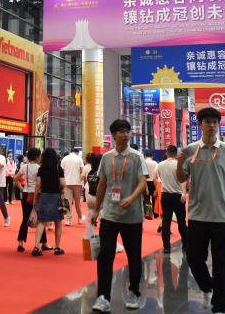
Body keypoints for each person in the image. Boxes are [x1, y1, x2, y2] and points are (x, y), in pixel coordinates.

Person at [177, 107, 225, 313]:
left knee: (221, 263)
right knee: (194, 257)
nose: (212, 125)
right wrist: (180, 161)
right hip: (198, 214)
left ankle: (220, 306)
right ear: (200, 124)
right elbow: (181, 178)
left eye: (215, 122)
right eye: (208, 122)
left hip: (223, 215)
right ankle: (207, 286)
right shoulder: (191, 150)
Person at [90, 119, 149, 312]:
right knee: (105, 256)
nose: (126, 134)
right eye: (122, 131)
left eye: (128, 131)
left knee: (134, 256)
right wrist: (96, 210)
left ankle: (134, 292)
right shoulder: (107, 158)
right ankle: (103, 297)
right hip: (110, 215)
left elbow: (143, 182)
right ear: (114, 135)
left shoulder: (137, 157)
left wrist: (131, 198)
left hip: (132, 216)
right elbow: (102, 184)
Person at [32, 147, 65, 257]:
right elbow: (63, 183)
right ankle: (57, 247)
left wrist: (35, 197)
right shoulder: (58, 168)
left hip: (44, 196)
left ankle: (36, 247)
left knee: (41, 222)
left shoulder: (41, 169)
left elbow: (38, 184)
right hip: (56, 196)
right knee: (58, 222)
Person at [157, 145, 188, 254]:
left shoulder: (160, 164)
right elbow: (183, 180)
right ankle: (185, 243)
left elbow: (158, 177)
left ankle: (166, 246)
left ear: (167, 152)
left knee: (166, 221)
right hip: (177, 196)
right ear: (176, 153)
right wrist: (184, 193)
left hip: (165, 195)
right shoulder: (179, 164)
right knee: (181, 221)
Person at [16, 147, 44, 253]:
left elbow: (15, 178)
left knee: (25, 219)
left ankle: (20, 242)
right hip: (37, 195)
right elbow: (39, 183)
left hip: (26, 194)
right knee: (41, 219)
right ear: (37, 157)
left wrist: (22, 189)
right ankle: (43, 243)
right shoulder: (39, 168)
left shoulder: (25, 167)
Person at [61, 147, 86, 225]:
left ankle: (68, 220)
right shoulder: (79, 159)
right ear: (77, 152)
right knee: (77, 202)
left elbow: (62, 171)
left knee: (67, 202)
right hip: (77, 183)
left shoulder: (64, 158)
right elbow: (82, 171)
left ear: (71, 151)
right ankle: (80, 218)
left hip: (67, 182)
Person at [144, 150, 159, 216]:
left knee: (146, 198)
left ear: (145, 156)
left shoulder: (143, 162)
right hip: (153, 181)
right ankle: (155, 213)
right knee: (154, 197)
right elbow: (157, 173)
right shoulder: (155, 163)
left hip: (146, 181)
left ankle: (148, 213)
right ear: (152, 156)